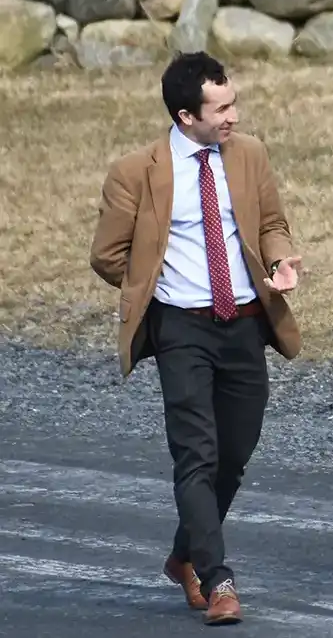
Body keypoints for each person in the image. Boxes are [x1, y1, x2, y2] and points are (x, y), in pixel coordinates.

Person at [90, 51, 302, 626]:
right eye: (222, 107)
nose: (234, 115)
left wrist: (279, 262)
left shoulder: (250, 155)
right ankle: (217, 576)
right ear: (186, 116)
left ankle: (184, 553)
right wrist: (149, 286)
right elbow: (108, 256)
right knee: (196, 454)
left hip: (244, 323)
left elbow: (271, 224)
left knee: (233, 455)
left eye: (233, 101)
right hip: (181, 325)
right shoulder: (136, 172)